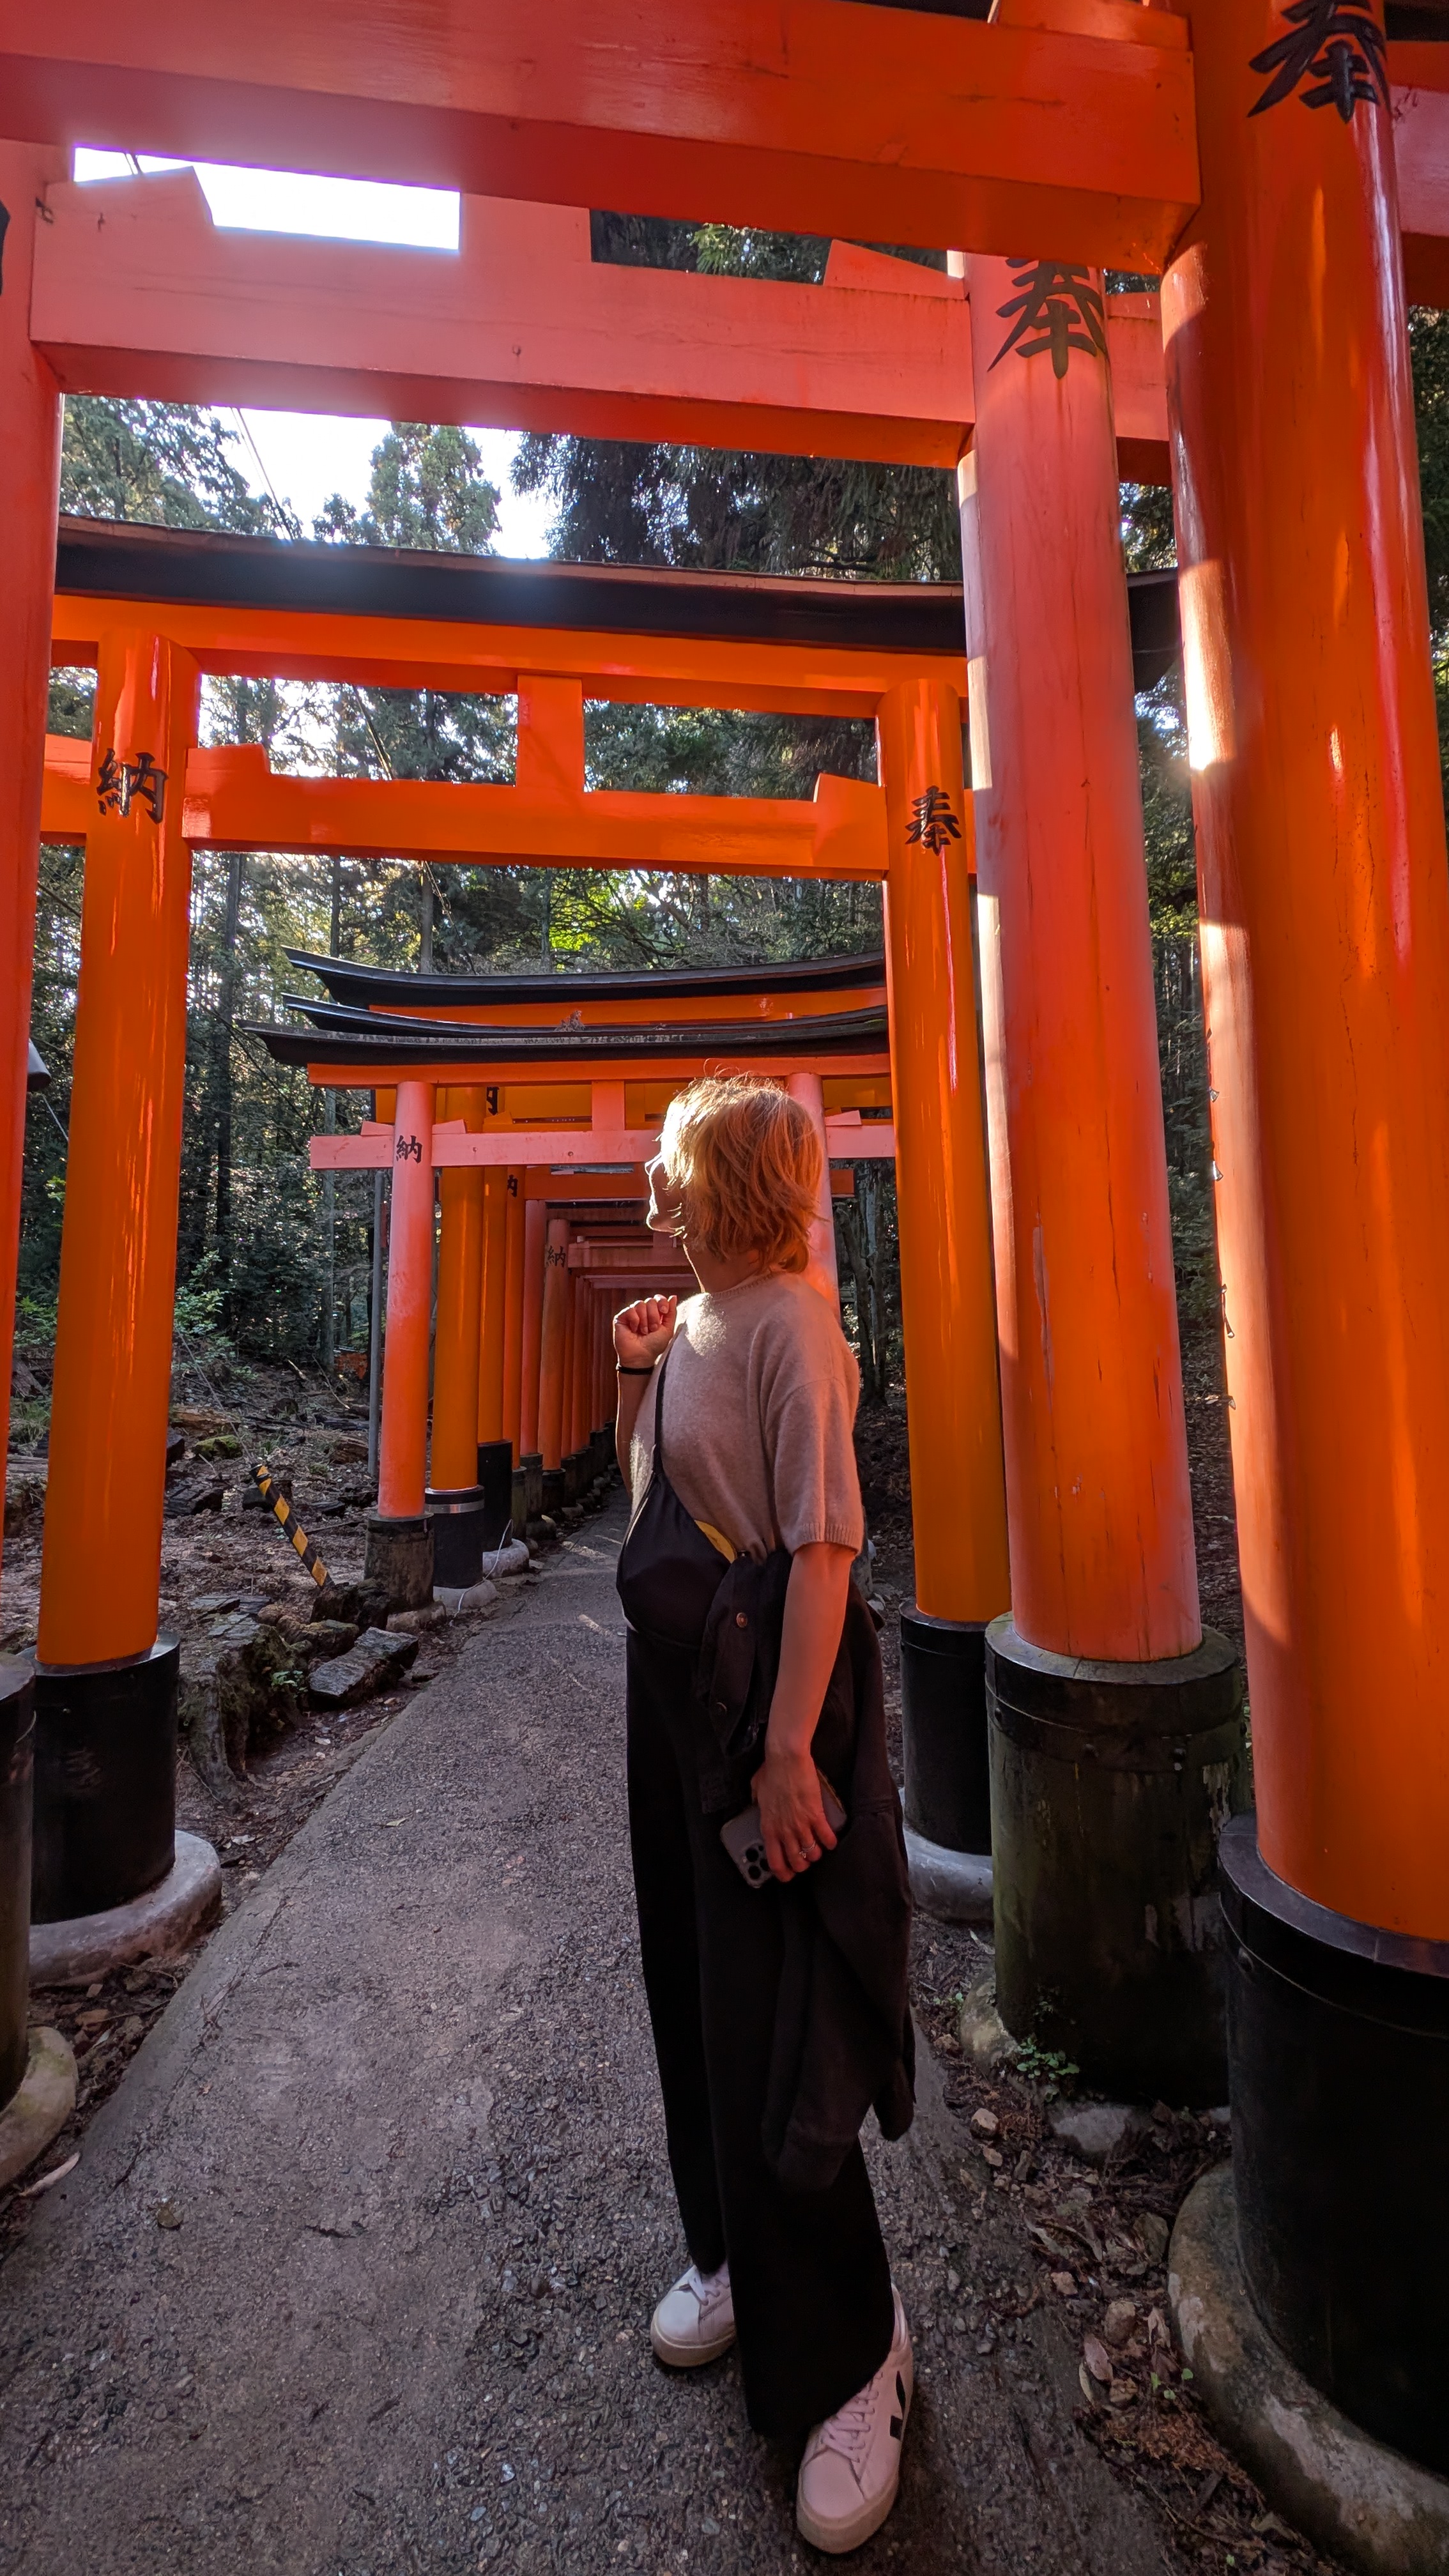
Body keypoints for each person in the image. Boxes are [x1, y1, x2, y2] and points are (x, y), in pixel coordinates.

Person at [613, 1073, 914, 2556]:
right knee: (692, 1981)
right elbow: (656, 1509)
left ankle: (859, 2353)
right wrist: (634, 1381)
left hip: (763, 1712)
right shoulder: (701, 1325)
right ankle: (730, 2244)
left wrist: (793, 1751)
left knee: (784, 2010)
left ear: (722, 1186)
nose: (651, 1195)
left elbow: (823, 1544)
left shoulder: (793, 1320)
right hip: (673, 1702)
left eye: (671, 1172)